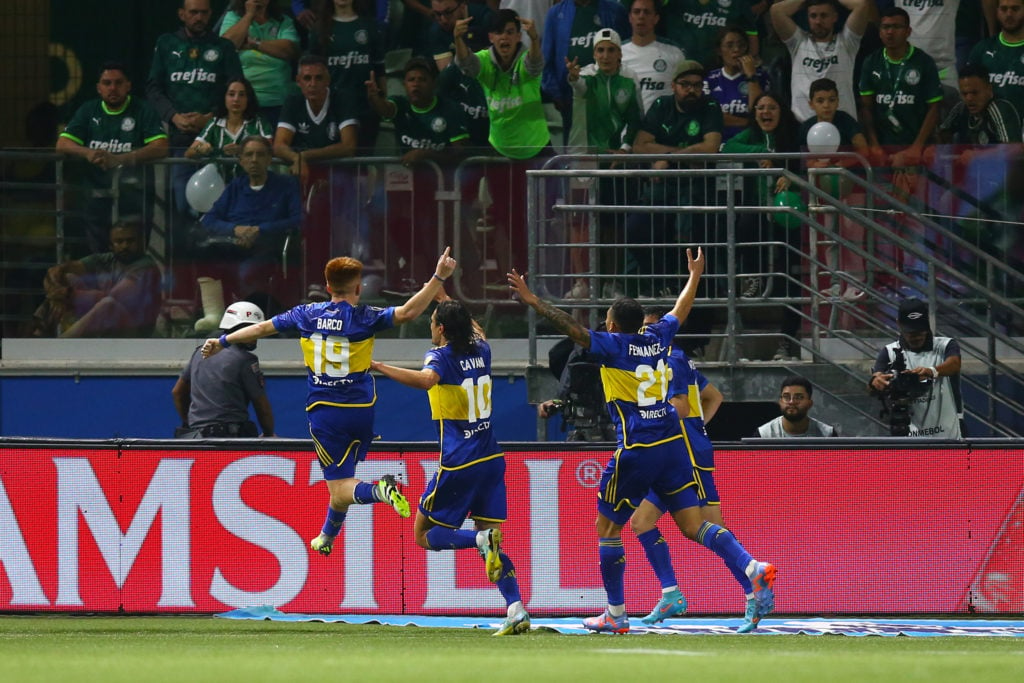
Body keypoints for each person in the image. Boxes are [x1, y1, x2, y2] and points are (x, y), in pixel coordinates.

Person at [507, 248, 777, 634]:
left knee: (608, 530)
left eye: (607, 320)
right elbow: (681, 310)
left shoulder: (613, 346)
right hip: (673, 448)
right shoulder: (658, 336)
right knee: (693, 526)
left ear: (613, 324)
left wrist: (534, 301)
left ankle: (616, 615)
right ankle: (752, 566)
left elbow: (572, 329)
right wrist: (695, 275)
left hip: (638, 450)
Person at [200, 247, 459, 556]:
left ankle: (380, 489)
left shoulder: (305, 314)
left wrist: (224, 340)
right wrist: (438, 277)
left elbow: (263, 327)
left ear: (326, 287)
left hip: (326, 413)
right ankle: (326, 536)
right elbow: (408, 313)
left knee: (341, 486)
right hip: (362, 411)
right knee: (341, 483)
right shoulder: (365, 316)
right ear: (358, 288)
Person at [370, 297, 532, 637]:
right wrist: (446, 298)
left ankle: (479, 540)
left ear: (441, 329)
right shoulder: (483, 350)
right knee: (494, 542)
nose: (430, 326)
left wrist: (380, 367)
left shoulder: (440, 356)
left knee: (423, 535)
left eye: (432, 321)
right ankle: (516, 608)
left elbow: (428, 380)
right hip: (491, 458)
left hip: (459, 462)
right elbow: (478, 330)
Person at [623, 310, 770, 632]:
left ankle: (752, 587)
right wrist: (698, 426)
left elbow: (682, 406)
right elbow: (712, 396)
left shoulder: (670, 361)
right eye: (642, 328)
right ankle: (671, 592)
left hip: (684, 454)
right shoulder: (673, 360)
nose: (645, 334)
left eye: (651, 329)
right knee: (641, 521)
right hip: (675, 450)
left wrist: (681, 426)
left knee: (710, 529)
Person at [625, 60, 722, 298]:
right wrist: (681, 155)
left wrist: (668, 158)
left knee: (688, 233)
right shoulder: (661, 105)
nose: (692, 90)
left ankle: (691, 290)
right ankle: (657, 282)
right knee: (636, 227)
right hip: (661, 188)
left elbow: (710, 147)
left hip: (696, 189)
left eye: (697, 85)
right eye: (685, 84)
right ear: (673, 85)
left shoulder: (710, 105)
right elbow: (639, 145)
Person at [722, 91, 804, 361]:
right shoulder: (752, 137)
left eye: (771, 107)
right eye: (760, 108)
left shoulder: (794, 136)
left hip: (787, 214)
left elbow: (804, 166)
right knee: (744, 222)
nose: (765, 112)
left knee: (791, 280)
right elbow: (728, 148)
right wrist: (760, 152)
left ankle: (787, 342)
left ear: (781, 111)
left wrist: (788, 176)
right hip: (758, 212)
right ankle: (753, 275)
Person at [57, 61, 169, 255]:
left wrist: (121, 159)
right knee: (98, 254)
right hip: (95, 198)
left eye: (118, 83)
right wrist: (88, 153)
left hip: (134, 198)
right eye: (107, 83)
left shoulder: (143, 109)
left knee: (132, 253)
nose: (113, 88)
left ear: (128, 85)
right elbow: (62, 144)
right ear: (98, 88)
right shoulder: (88, 110)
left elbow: (161, 147)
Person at [146, 0, 243, 219]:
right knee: (183, 206)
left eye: (203, 13)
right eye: (193, 13)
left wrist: (210, 119)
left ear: (210, 14)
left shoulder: (224, 47)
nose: (198, 17)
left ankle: (220, 250)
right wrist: (174, 116)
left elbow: (237, 88)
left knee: (222, 204)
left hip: (219, 139)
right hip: (180, 138)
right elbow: (153, 88)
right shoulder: (166, 43)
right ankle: (187, 251)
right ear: (182, 14)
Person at [199, 135, 302, 300]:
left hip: (268, 247)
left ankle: (250, 315)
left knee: (248, 271)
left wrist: (260, 230)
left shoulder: (286, 185)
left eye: (260, 155)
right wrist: (235, 230)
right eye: (249, 155)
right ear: (241, 160)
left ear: (269, 159)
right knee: (205, 254)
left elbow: (299, 220)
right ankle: (214, 315)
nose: (254, 160)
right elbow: (209, 220)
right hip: (234, 244)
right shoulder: (235, 187)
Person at [31, 222, 161, 338]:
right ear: (111, 245)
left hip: (135, 333)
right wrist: (57, 291)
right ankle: (39, 333)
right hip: (106, 324)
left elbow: (113, 297)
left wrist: (68, 294)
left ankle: (61, 345)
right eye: (119, 242)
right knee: (68, 278)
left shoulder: (146, 266)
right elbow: (56, 271)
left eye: (130, 241)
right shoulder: (108, 259)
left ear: (141, 243)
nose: (125, 246)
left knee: (108, 304)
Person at [454, 9, 549, 160]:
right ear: (491, 37)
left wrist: (534, 39)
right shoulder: (484, 59)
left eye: (510, 32)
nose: (504, 37)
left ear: (518, 36)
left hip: (536, 148)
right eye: (499, 32)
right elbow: (466, 65)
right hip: (499, 148)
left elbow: (534, 65)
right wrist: (458, 39)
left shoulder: (526, 58)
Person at [172, 300, 275, 438]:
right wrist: (268, 434)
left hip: (195, 438)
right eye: (248, 330)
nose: (254, 336)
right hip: (229, 440)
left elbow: (177, 393)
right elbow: (261, 405)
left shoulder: (199, 353)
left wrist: (190, 423)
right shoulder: (246, 360)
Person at [858, 7, 943, 170]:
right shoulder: (871, 62)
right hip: (883, 149)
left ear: (908, 31)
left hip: (916, 148)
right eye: (885, 27)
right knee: (882, 193)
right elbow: (866, 108)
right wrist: (874, 145)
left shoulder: (924, 62)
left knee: (917, 194)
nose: (890, 32)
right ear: (880, 31)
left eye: (896, 27)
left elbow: (934, 108)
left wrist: (917, 146)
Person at [869, 297, 963, 438]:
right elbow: (873, 383)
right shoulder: (889, 352)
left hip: (948, 439)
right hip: (910, 440)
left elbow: (955, 364)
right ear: (899, 325)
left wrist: (931, 371)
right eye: (910, 332)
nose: (916, 337)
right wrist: (876, 382)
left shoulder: (945, 345)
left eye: (920, 331)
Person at [541, 0, 630, 145]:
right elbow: (546, 57)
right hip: (569, 96)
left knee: (612, 139)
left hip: (610, 91)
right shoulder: (555, 13)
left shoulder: (615, 10)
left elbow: (626, 49)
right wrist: (556, 94)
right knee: (575, 145)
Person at [770, 0, 872, 122]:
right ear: (808, 18)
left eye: (824, 15)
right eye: (813, 16)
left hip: (843, 126)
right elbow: (776, 10)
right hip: (802, 125)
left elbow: (862, 5)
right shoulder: (798, 42)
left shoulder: (847, 42)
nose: (818, 21)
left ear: (834, 17)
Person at [309, 0, 386, 153]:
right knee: (334, 161)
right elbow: (311, 70)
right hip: (332, 107)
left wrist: (382, 101)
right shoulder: (319, 29)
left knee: (363, 162)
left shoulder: (369, 26)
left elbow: (380, 69)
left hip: (365, 106)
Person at [365, 57, 470, 166]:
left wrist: (425, 155)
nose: (416, 84)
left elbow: (460, 155)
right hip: (408, 178)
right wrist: (374, 98)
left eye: (422, 79)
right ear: (404, 84)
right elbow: (385, 110)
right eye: (411, 80)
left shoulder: (450, 109)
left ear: (434, 83)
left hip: (443, 179)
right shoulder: (401, 104)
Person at [273, 54, 359, 182]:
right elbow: (279, 145)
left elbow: (349, 146)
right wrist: (296, 158)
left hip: (338, 175)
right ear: (298, 81)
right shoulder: (293, 102)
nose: (312, 84)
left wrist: (305, 156)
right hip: (304, 174)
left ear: (328, 80)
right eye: (307, 78)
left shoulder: (342, 100)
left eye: (318, 78)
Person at [219, 0, 301, 127]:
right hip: (243, 101)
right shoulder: (233, 17)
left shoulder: (283, 20)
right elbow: (227, 46)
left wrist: (254, 44)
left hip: (278, 98)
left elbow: (289, 49)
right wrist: (249, 15)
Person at [185, 77, 273, 170]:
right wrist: (201, 149)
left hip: (250, 181)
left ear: (248, 99)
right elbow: (188, 153)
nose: (236, 99)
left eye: (242, 95)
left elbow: (270, 149)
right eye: (231, 94)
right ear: (224, 97)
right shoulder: (214, 123)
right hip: (219, 182)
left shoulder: (259, 122)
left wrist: (243, 150)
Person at [705, 26, 771, 143]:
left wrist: (751, 76)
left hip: (750, 142)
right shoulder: (709, 80)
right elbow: (712, 118)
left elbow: (759, 114)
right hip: (717, 144)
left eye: (741, 45)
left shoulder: (761, 77)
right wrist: (747, 122)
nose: (736, 50)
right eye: (729, 45)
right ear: (719, 50)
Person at [620, 0, 686, 114]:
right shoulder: (617, 52)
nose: (641, 16)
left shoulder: (674, 52)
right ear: (630, 18)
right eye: (636, 12)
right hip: (627, 128)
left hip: (663, 127)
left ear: (656, 18)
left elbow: (684, 93)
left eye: (647, 12)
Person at [938, 64, 1023, 146]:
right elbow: (942, 133)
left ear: (989, 89)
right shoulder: (961, 108)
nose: (969, 98)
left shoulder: (1000, 108)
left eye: (975, 93)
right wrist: (935, 150)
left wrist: (978, 156)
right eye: (964, 93)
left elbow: (1013, 149)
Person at [658, 0, 760, 67]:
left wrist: (745, 68)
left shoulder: (738, 3)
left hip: (721, 74)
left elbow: (751, 37)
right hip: (676, 70)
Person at [969, 0, 1024, 117]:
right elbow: (970, 90)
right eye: (1004, 9)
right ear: (997, 12)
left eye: (1015, 9)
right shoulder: (982, 49)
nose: (1009, 14)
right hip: (988, 128)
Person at [755, 375, 840, 437]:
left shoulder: (827, 435)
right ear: (780, 402)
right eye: (786, 397)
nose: (791, 402)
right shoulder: (764, 435)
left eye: (799, 397)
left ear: (810, 403)